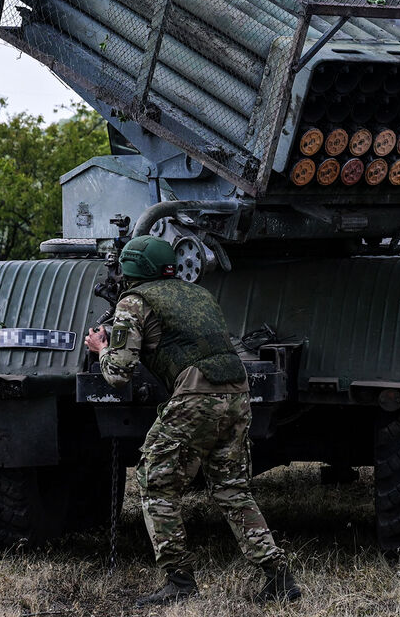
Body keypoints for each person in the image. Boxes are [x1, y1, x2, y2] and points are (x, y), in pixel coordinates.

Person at [85, 235, 301, 606]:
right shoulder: (198, 294)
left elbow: (119, 373)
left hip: (197, 396)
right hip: (237, 392)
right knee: (232, 488)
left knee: (154, 482)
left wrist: (102, 347)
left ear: (132, 269)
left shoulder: (133, 302)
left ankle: (179, 581)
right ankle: (278, 577)